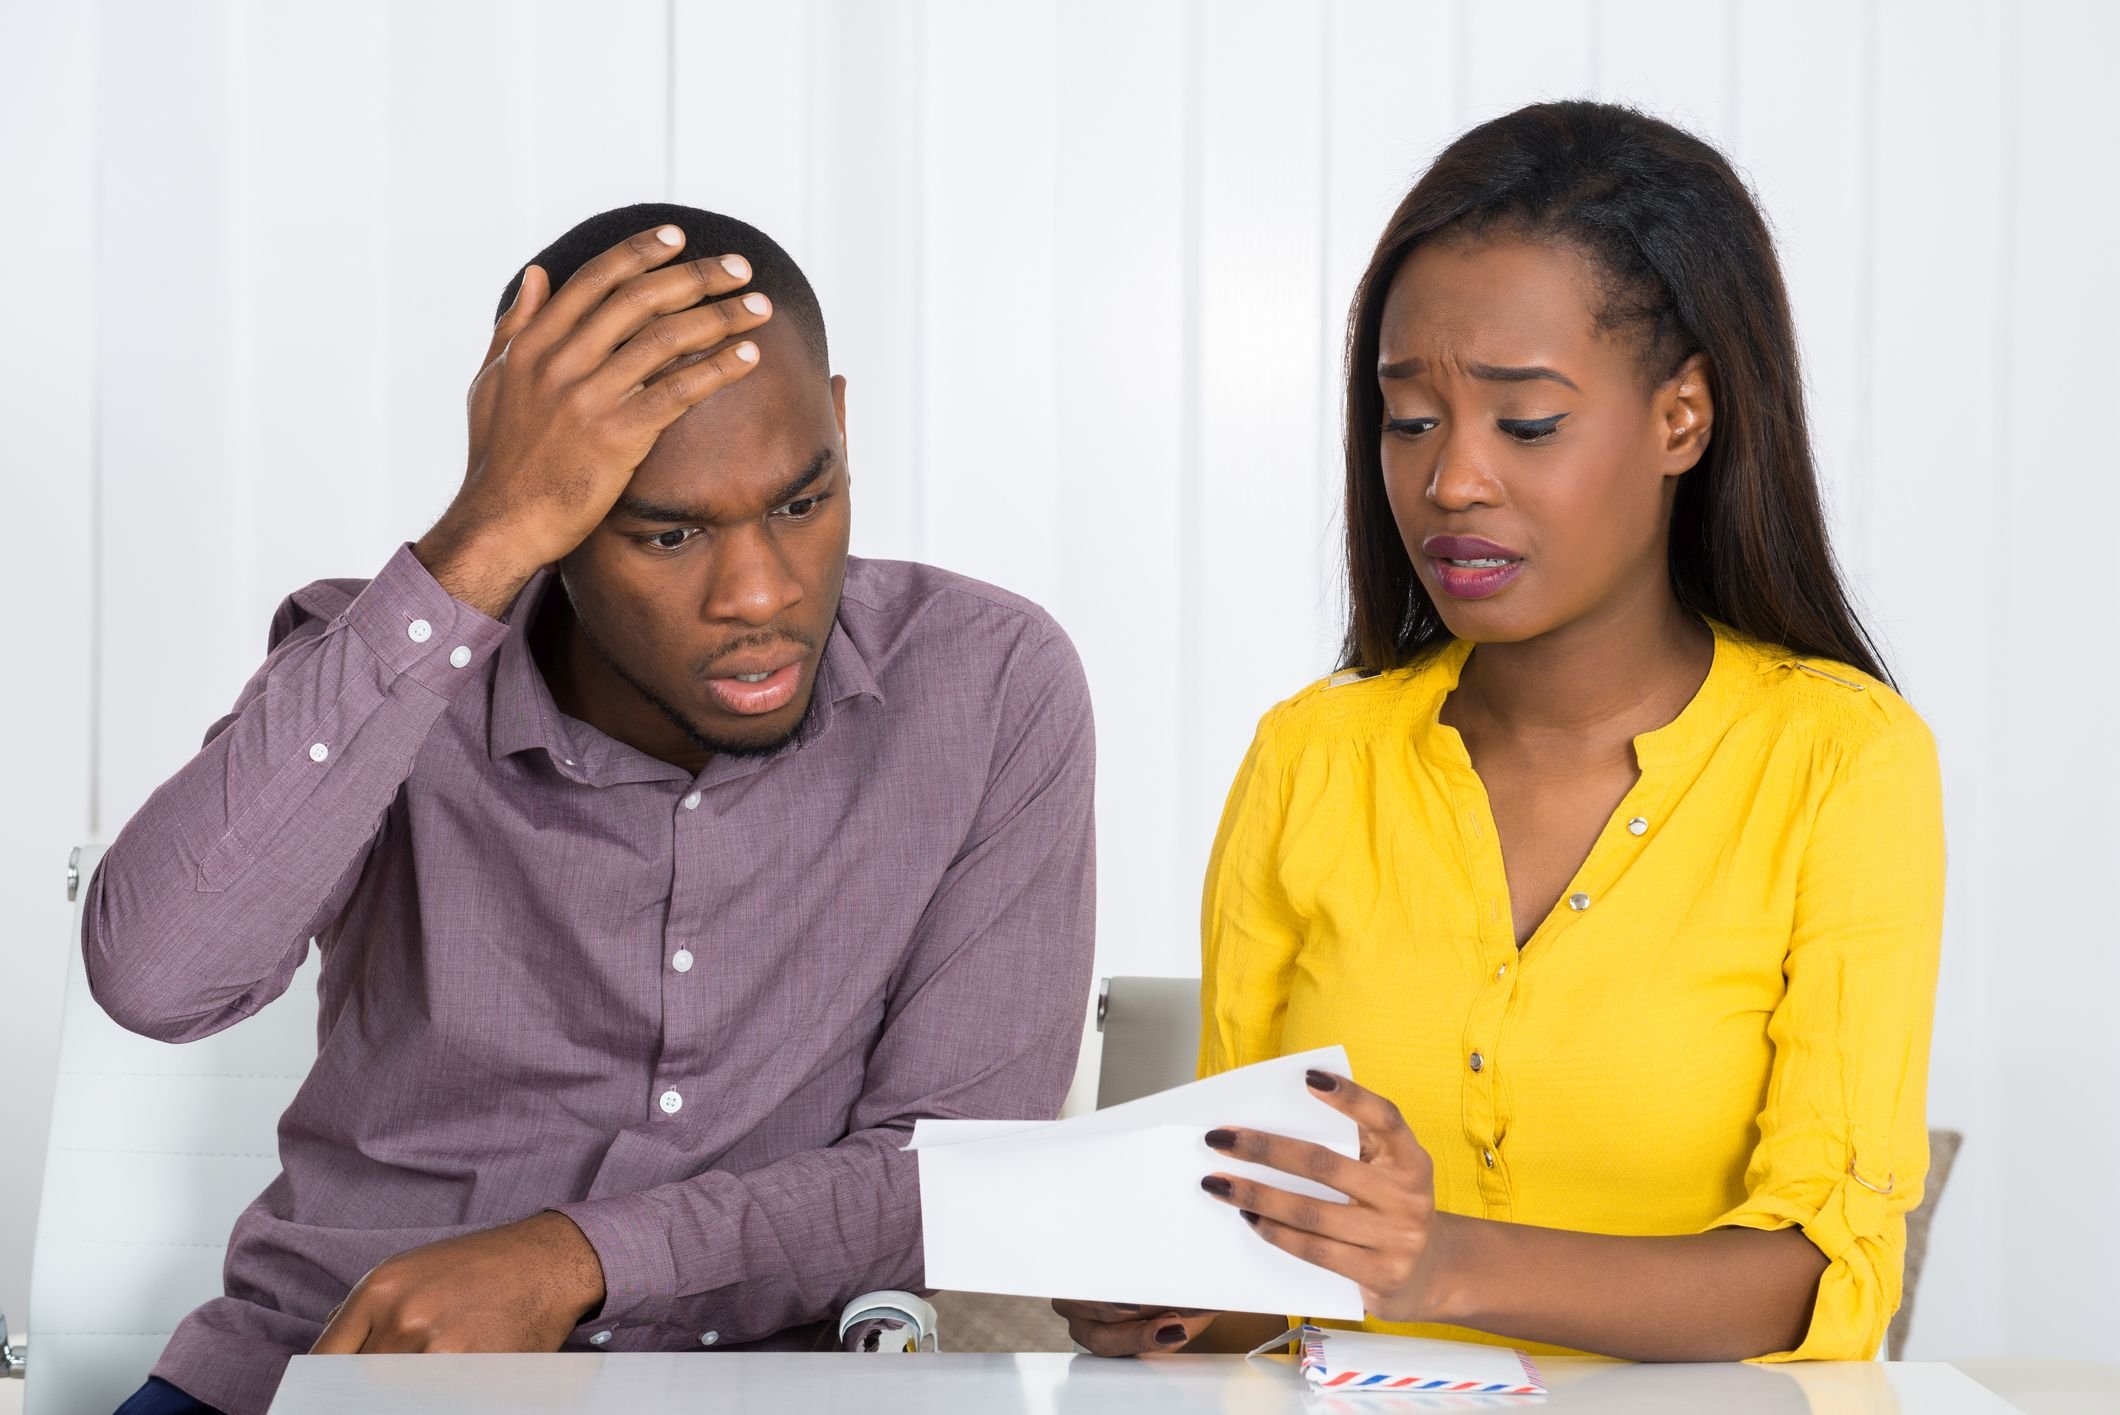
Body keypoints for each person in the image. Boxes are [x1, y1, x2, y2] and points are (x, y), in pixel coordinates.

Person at [89, 203, 1096, 1415]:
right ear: (555, 512)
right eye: (666, 531)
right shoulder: (382, 671)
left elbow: (951, 1176)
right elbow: (155, 976)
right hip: (329, 1371)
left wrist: (575, 1257)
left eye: (800, 500)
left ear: (839, 420)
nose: (759, 592)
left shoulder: (987, 684)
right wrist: (479, 541)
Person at [1057, 101, 1943, 1364]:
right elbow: (1265, 1242)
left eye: (1523, 422)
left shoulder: (1839, 760)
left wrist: (1443, 1258)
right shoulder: (1312, 756)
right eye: (1408, 418)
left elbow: (1815, 1277)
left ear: (1681, 417)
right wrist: (1163, 1294)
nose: (1450, 479)